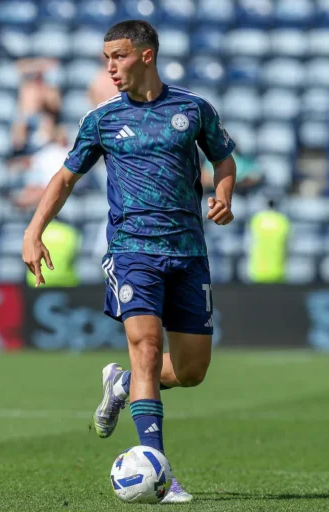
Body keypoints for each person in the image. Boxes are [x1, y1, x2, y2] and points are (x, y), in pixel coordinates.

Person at [21, 20, 237, 504]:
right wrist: (34, 231)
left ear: (146, 56)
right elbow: (64, 178)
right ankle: (158, 472)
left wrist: (224, 194)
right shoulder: (101, 120)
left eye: (118, 56)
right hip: (131, 249)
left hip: (188, 252)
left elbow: (224, 159)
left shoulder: (193, 109)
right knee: (146, 346)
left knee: (192, 370)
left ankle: (121, 385)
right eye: (106, 59)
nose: (110, 68)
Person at [25, 218, 81, 288]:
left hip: (37, 280)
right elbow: (76, 255)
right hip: (65, 280)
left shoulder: (33, 233)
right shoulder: (70, 232)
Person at [247, 198, 290, 283]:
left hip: (257, 270)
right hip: (278, 270)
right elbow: (288, 245)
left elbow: (248, 243)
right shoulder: (282, 220)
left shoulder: (257, 219)